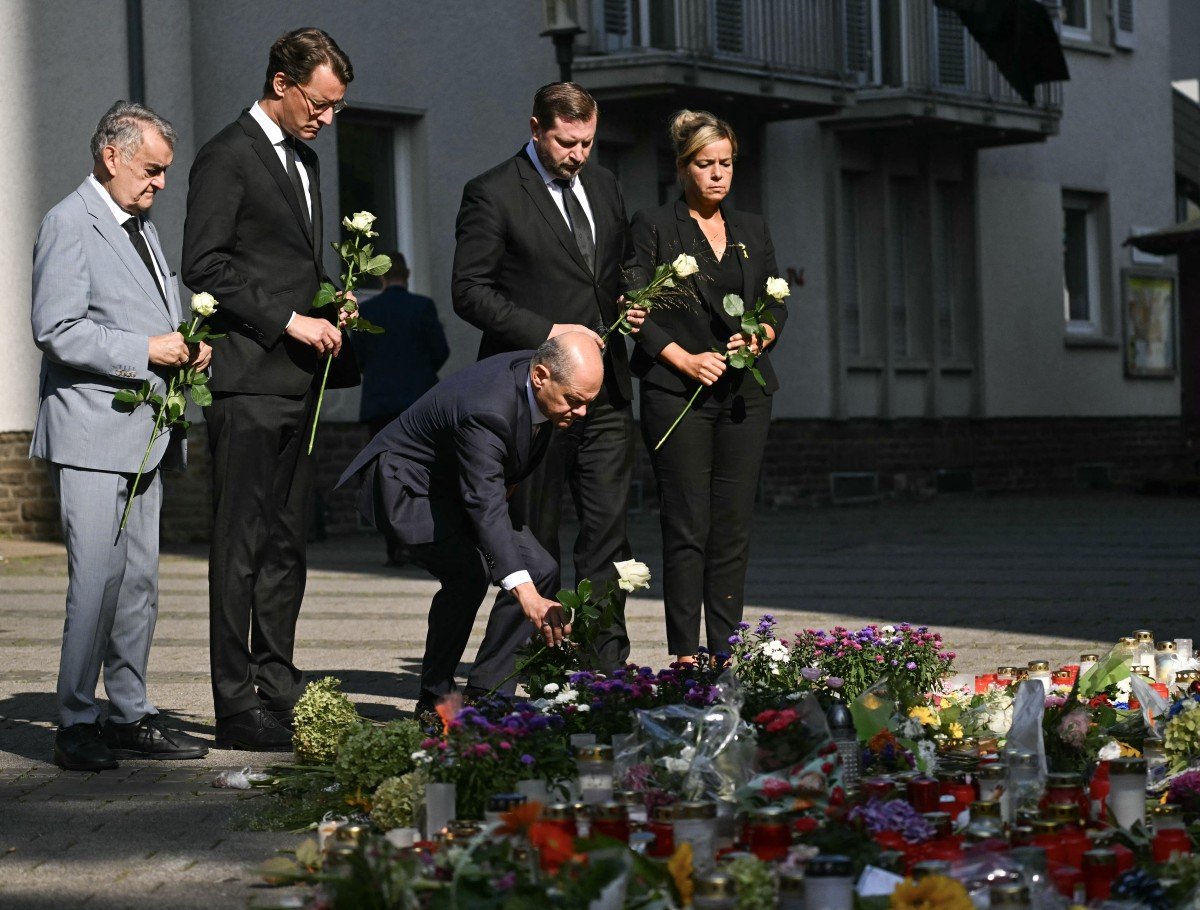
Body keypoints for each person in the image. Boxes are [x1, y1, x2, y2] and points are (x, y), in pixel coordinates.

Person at [182, 27, 357, 750]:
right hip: (248, 379)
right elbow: (205, 263)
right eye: (320, 103)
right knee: (241, 544)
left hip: (299, 382)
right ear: (283, 84)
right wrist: (289, 319)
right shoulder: (227, 156)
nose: (327, 118)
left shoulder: (306, 161)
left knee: (287, 541)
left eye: (339, 107)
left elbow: (287, 260)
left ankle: (277, 680)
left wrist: (328, 302)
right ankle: (234, 702)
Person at [30, 101, 211, 770]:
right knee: (97, 582)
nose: (161, 183)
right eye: (153, 169)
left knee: (139, 583)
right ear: (112, 156)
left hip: (145, 432)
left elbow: (152, 314)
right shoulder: (68, 223)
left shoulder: (141, 227)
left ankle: (129, 713)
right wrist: (149, 350)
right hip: (90, 432)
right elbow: (56, 329)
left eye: (165, 171)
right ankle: (75, 721)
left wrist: (186, 346)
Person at [452, 82, 642, 681]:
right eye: (566, 142)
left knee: (608, 532)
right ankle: (527, 667)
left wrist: (629, 298)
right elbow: (469, 291)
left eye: (587, 141)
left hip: (606, 391)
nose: (578, 153)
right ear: (536, 129)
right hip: (536, 394)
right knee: (535, 536)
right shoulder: (492, 192)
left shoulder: (606, 185)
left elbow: (617, 264)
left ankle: (606, 665)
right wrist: (547, 330)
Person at [337, 334, 604, 710]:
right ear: (541, 375)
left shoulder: (545, 374)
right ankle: (436, 696)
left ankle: (487, 696)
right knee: (469, 573)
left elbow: (489, 489)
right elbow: (484, 504)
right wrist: (523, 594)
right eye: (575, 402)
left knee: (540, 568)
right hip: (410, 485)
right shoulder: (489, 409)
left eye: (589, 403)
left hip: (459, 482)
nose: (582, 414)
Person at [629, 110, 789, 662]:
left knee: (732, 528)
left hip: (745, 396)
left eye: (725, 164)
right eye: (705, 164)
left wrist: (762, 334)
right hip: (678, 394)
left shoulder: (753, 229)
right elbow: (635, 307)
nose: (717, 174)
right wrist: (682, 360)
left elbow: (774, 302)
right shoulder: (654, 225)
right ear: (682, 168)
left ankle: (725, 649)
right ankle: (685, 651)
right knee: (687, 524)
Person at [354, 252, 449, 437]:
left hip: (379, 401)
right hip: (419, 397)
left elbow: (357, 358)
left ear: (382, 276)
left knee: (383, 458)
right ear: (407, 274)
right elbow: (440, 351)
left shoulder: (366, 310)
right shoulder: (422, 306)